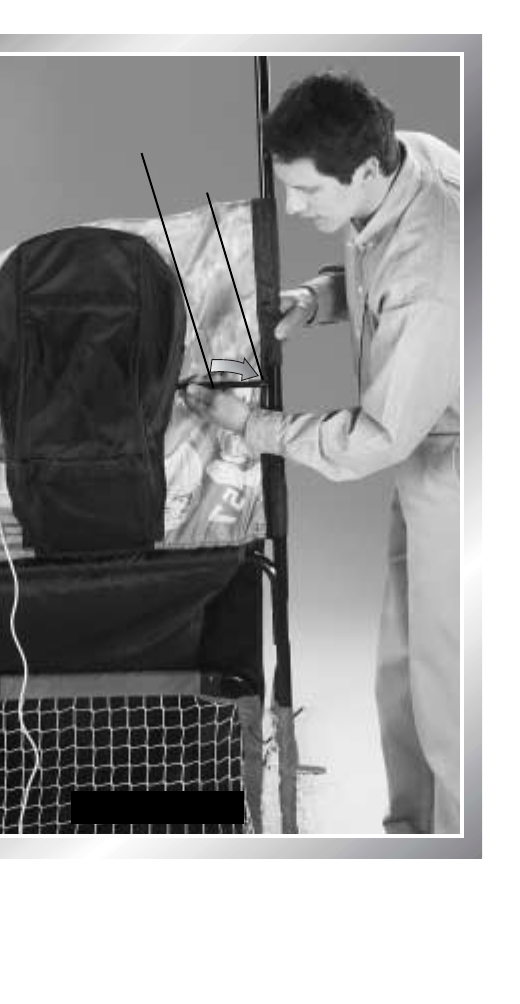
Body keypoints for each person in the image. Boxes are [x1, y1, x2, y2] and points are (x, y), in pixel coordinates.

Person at [186, 71, 460, 834]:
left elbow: (374, 437)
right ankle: (413, 833)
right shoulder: (407, 157)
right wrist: (313, 299)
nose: (295, 206)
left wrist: (252, 424)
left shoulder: (434, 265)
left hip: (465, 463)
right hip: (428, 449)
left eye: (306, 190)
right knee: (402, 670)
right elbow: (376, 271)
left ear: (363, 169)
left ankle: (469, 857)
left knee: (454, 692)